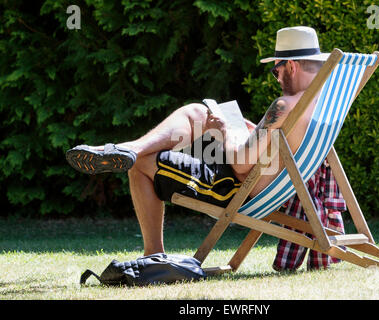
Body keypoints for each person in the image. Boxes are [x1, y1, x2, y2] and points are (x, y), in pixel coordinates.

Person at [66, 26, 346, 270]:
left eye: (276, 70)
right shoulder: (325, 105)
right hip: (275, 185)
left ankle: (152, 251)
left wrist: (225, 133)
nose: (275, 77)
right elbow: (277, 150)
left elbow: (239, 165)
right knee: (197, 113)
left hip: (235, 189)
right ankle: (128, 148)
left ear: (292, 67)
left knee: (142, 164)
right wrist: (247, 131)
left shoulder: (284, 106)